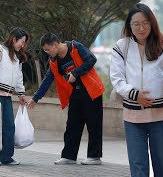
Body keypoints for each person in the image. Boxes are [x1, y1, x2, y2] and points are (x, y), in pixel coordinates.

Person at [110, 3, 163, 177]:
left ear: (152, 23)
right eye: (136, 24)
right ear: (129, 26)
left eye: (145, 23)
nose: (141, 28)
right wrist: (134, 94)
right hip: (133, 118)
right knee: (138, 166)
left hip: (159, 115)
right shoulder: (121, 46)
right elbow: (117, 79)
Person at [26, 33, 104, 165]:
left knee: (93, 124)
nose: (47, 53)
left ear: (55, 45)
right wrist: (35, 98)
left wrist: (75, 72)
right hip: (75, 93)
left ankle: (94, 156)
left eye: (47, 49)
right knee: (72, 125)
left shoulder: (75, 47)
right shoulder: (54, 61)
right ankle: (69, 156)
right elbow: (47, 80)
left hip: (91, 91)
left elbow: (92, 60)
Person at [0, 28, 29, 166]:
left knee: (9, 126)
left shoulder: (17, 57)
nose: (22, 45)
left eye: (24, 43)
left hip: (8, 95)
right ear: (14, 39)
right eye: (21, 42)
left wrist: (21, 93)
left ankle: (7, 157)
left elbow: (19, 76)